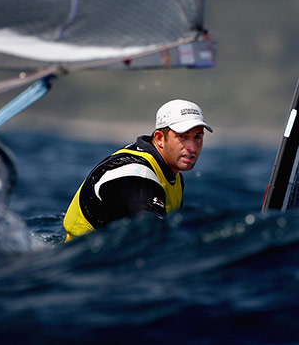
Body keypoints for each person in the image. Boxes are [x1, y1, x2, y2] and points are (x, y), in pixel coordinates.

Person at [63, 99, 213, 241]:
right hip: (81, 262)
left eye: (197, 137)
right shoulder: (138, 176)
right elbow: (151, 240)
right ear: (160, 138)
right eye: (183, 137)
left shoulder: (172, 173)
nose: (192, 147)